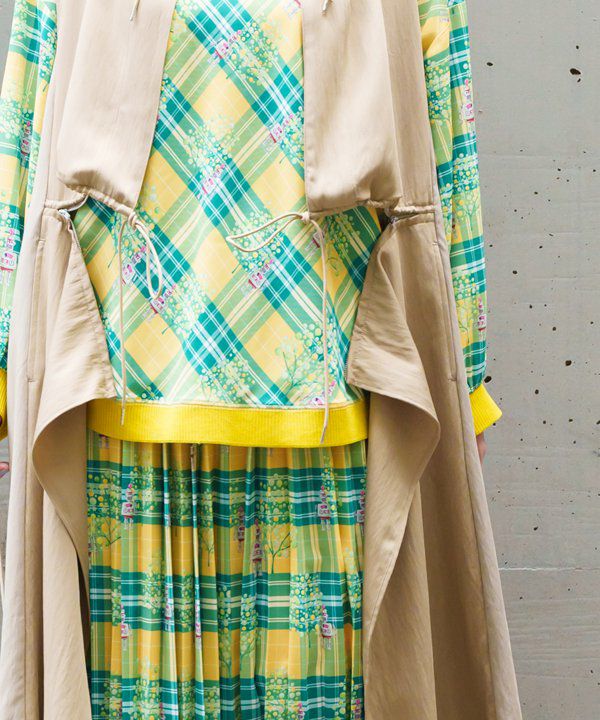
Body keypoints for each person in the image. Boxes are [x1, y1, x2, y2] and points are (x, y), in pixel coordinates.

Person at [0, 1, 519, 718]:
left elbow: (445, 151)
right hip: (126, 423)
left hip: (331, 421)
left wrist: (466, 374)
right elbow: (24, 134)